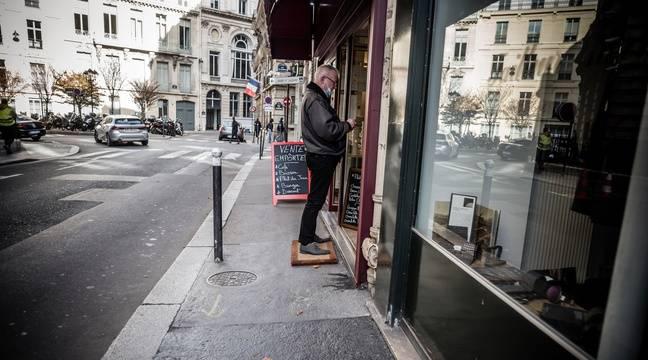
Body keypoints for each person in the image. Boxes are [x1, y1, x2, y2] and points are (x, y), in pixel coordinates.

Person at [298, 64, 355, 255]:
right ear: (323, 79)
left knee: (315, 199)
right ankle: (306, 241)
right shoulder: (315, 99)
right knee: (315, 200)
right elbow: (328, 130)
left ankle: (309, 235)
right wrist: (347, 125)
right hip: (322, 157)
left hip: (320, 156)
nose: (335, 87)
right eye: (334, 82)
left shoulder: (314, 97)